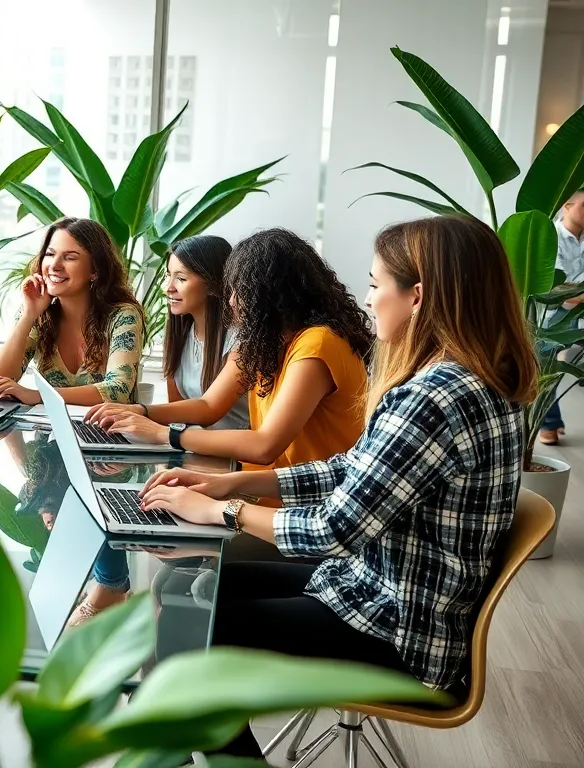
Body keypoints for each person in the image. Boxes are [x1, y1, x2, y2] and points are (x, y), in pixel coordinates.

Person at [139, 215, 536, 759]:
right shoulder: (476, 380)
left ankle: (195, 751)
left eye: (375, 285)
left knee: (202, 626)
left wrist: (223, 512)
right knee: (189, 589)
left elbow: (333, 529)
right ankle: (180, 745)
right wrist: (226, 484)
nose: (369, 300)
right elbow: (349, 470)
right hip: (382, 591)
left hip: (398, 631)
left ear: (416, 297)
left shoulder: (433, 398)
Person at [85, 229, 372, 470]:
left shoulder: (316, 344)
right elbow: (209, 410)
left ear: (268, 295)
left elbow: (263, 446)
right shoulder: (269, 343)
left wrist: (164, 433)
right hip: (264, 484)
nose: (231, 301)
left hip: (300, 505)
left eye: (239, 291)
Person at [0, 217, 146, 406]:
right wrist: (29, 315)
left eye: (70, 257)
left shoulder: (122, 316)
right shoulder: (38, 313)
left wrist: (40, 396)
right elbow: (0, 378)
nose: (54, 266)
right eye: (49, 254)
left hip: (109, 432)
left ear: (95, 270)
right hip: (50, 432)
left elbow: (118, 389)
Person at [158, 235, 248, 429]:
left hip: (237, 454)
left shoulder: (242, 339)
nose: (169, 288)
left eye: (181, 278)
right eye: (168, 276)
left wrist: (140, 410)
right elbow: (176, 412)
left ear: (211, 284)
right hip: (195, 447)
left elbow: (209, 408)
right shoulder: (179, 334)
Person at [539, 188, 584, 445]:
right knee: (547, 367)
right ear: (567, 206)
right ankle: (549, 423)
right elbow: (555, 289)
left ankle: (552, 422)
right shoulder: (550, 237)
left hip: (578, 313)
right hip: (551, 315)